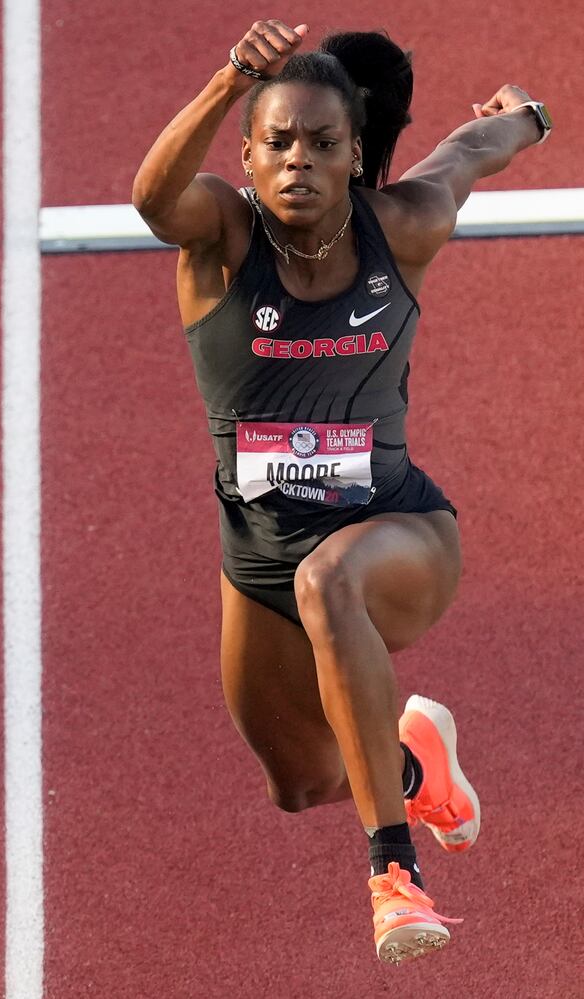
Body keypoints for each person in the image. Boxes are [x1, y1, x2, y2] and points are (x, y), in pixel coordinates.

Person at [132, 20, 551, 965]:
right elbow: (153, 198)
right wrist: (227, 78)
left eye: (323, 143)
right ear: (246, 154)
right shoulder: (219, 240)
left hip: (400, 533)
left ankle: (393, 878)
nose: (298, 160)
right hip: (259, 560)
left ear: (355, 153)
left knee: (333, 581)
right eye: (276, 141)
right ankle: (415, 765)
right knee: (300, 781)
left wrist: (529, 115)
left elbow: (468, 152)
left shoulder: (397, 228)